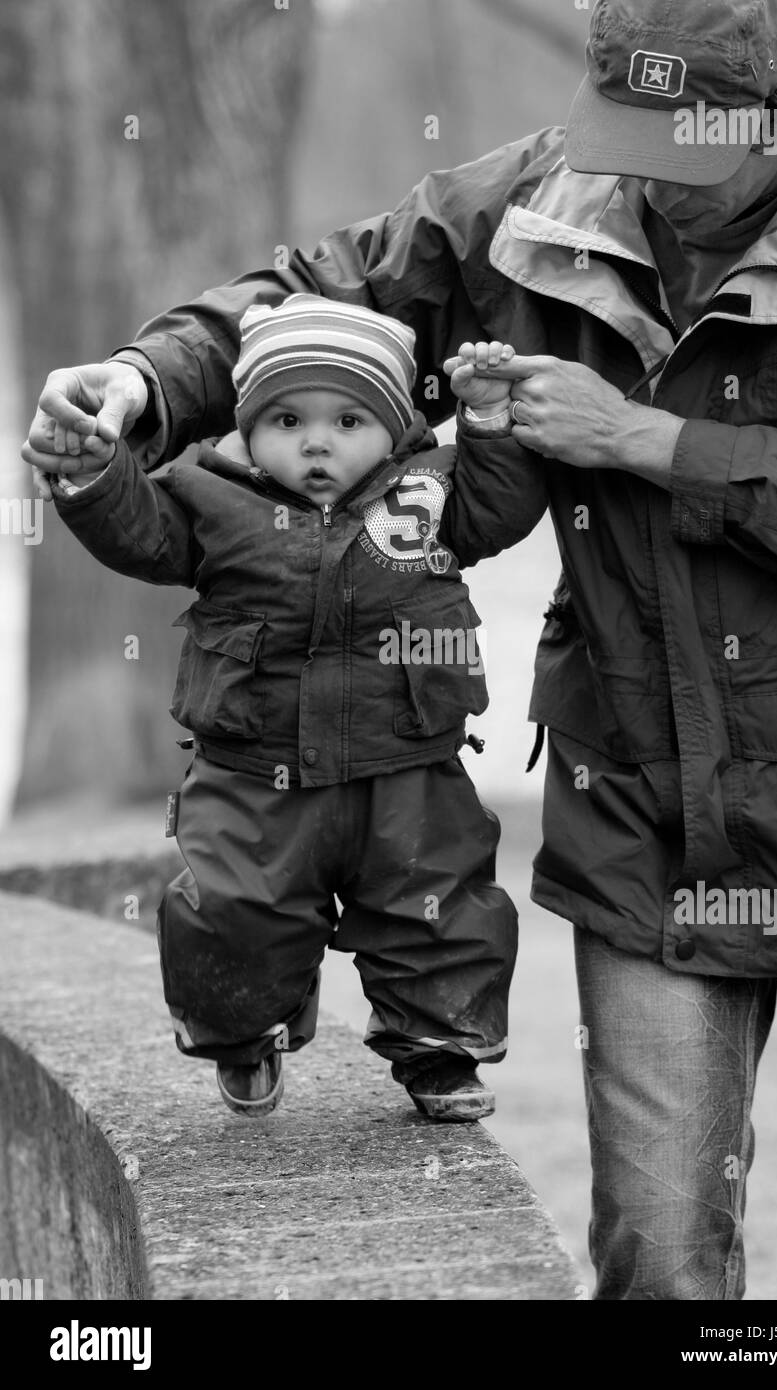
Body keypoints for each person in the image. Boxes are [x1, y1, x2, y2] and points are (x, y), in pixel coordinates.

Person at [24, 0, 777, 1298]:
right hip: (643, 807)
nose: (633, 178)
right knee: (657, 1256)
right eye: (621, 135)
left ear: (769, 121)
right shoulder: (536, 201)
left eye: (674, 152)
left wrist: (638, 438)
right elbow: (307, 296)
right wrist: (143, 383)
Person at [47, 293, 547, 1121]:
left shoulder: (432, 494)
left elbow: (504, 507)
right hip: (252, 770)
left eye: (350, 420)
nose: (316, 441)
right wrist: (91, 474)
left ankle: (439, 1048)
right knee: (236, 911)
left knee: (436, 904)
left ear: (395, 429)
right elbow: (141, 533)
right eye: (286, 418)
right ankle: (246, 1029)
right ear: (249, 424)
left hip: (408, 762)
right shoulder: (209, 493)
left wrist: (489, 422)